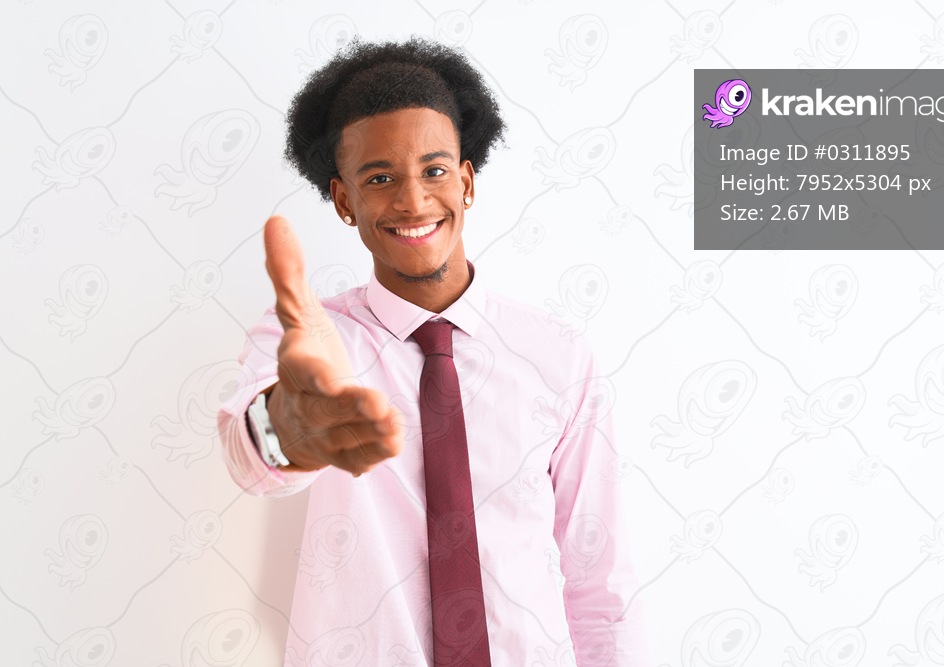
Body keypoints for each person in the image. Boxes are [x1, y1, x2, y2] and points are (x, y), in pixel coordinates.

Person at [217, 36, 648, 666]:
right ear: (344, 200)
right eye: (380, 178)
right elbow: (245, 457)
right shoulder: (307, 337)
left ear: (467, 181)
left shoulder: (556, 355)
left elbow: (600, 577)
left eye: (435, 170)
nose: (414, 201)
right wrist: (289, 426)